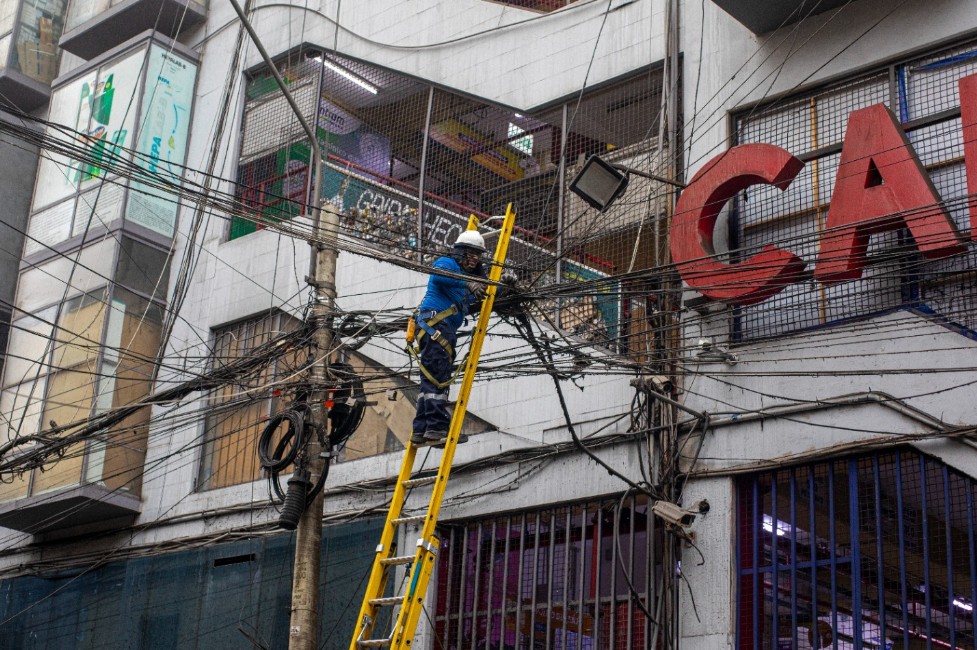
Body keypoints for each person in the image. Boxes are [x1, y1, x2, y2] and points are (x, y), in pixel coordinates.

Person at [409, 230, 493, 447]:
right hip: (437, 327)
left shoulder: (470, 278)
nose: (474, 259)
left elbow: (489, 293)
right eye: (471, 254)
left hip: (436, 329)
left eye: (478, 255)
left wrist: (507, 286)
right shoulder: (447, 263)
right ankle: (437, 428)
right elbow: (438, 275)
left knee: (429, 382)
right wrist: (467, 283)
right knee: (438, 378)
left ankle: (421, 430)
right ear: (460, 252)